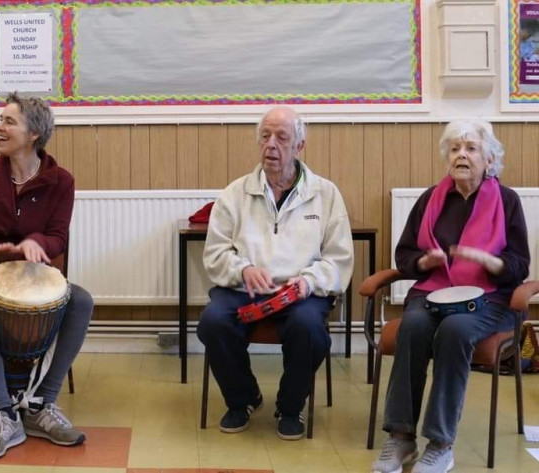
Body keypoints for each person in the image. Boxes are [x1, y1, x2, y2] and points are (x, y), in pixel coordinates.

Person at [371, 121, 529, 473]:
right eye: (455, 148)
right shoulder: (430, 199)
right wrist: (424, 261)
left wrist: (491, 261)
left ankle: (441, 443)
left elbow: (520, 265)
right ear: (447, 158)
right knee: (412, 325)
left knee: (455, 330)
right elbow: (405, 256)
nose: (462, 155)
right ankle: (401, 438)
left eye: (471, 148)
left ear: (489, 159)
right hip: (432, 293)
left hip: (490, 300)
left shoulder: (507, 201)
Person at [196, 106, 354, 441]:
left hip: (300, 292)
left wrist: (309, 281)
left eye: (281, 137)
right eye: (265, 136)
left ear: (299, 145)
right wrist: (244, 268)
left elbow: (338, 260)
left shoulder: (326, 195)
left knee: (308, 328)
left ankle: (291, 405)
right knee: (213, 322)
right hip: (245, 287)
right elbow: (215, 255)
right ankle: (243, 398)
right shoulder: (234, 194)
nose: (271, 145)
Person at [0, 92, 94, 460]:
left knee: (81, 299)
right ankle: (2, 413)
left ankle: (41, 404)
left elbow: (58, 237)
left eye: (9, 122)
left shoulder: (60, 180)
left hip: (37, 278)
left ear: (34, 134)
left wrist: (35, 242)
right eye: (0, 119)